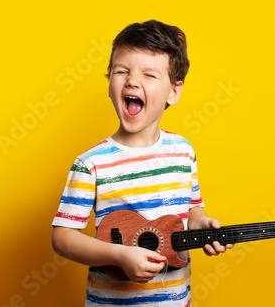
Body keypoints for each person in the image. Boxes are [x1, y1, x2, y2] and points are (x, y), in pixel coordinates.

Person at [51, 19, 233, 307]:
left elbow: (192, 208)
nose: (133, 81)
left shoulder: (183, 152)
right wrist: (119, 256)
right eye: (122, 71)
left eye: (149, 75)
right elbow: (62, 237)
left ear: (174, 91)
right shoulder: (91, 163)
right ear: (109, 83)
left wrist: (203, 225)